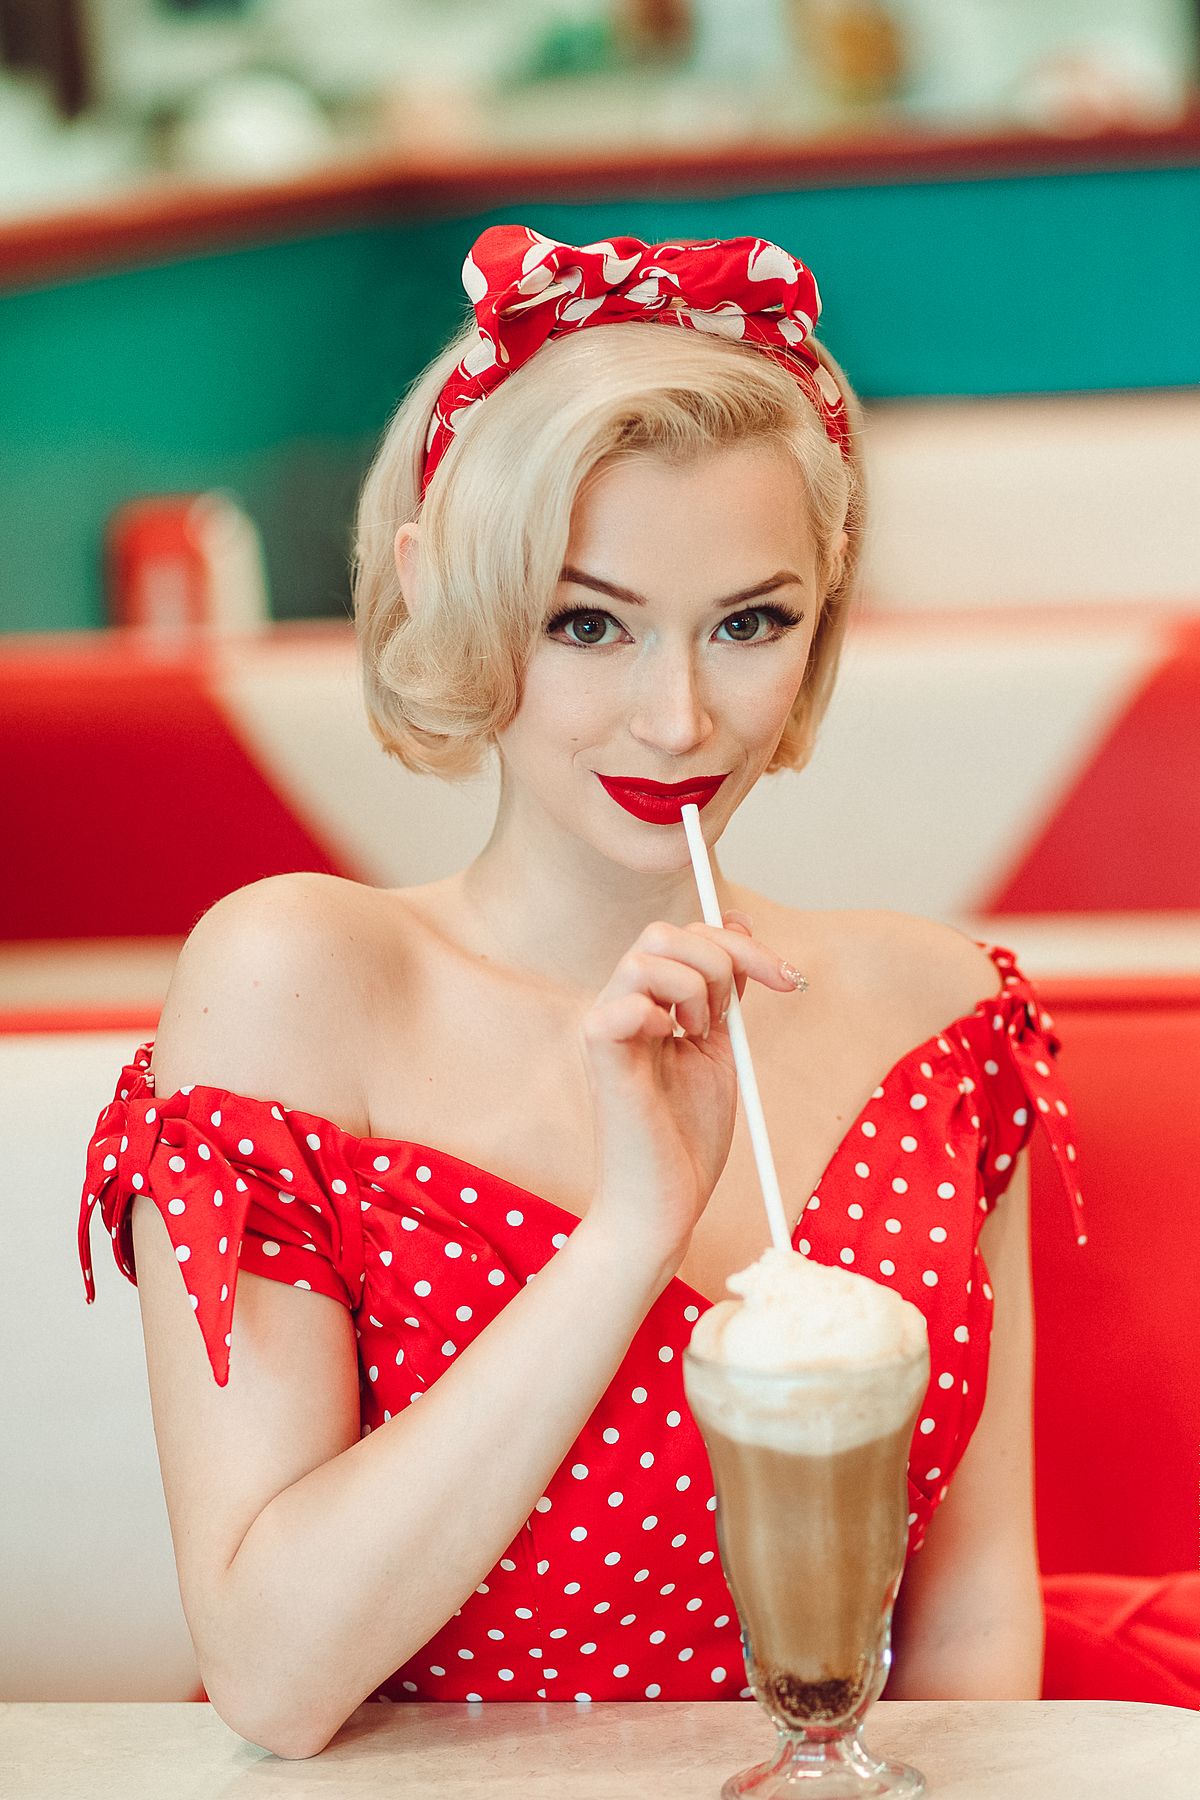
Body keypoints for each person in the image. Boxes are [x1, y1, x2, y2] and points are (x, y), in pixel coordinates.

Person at [78, 226, 1087, 1760]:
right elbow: (275, 1677)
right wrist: (630, 1229)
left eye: (751, 622)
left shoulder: (940, 1018)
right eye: (585, 620)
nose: (677, 715)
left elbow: (963, 1631)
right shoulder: (294, 980)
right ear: (447, 597)